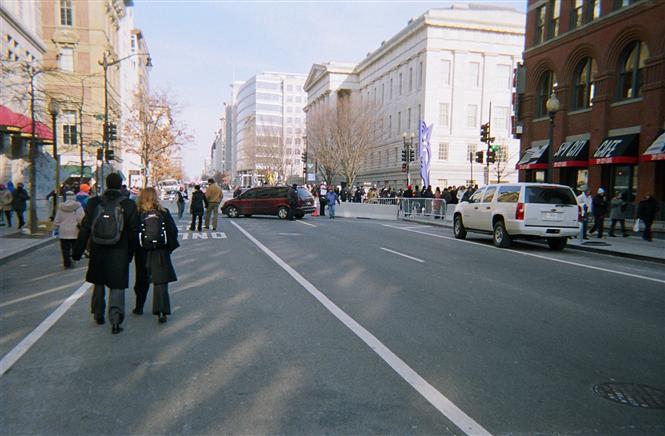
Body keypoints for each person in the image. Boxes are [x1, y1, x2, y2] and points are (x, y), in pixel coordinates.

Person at [72, 173, 139, 334]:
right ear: (120, 184)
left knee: (99, 282)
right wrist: (132, 253)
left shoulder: (94, 202)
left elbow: (86, 228)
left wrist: (77, 251)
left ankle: (98, 313)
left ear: (107, 184)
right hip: (119, 250)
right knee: (117, 286)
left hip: (98, 249)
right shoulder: (128, 204)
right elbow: (133, 232)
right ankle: (115, 321)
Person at [133, 187, 179, 323]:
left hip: (142, 251)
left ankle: (139, 306)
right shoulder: (163, 212)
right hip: (160, 250)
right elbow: (173, 231)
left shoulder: (138, 213)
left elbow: (132, 233)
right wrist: (168, 248)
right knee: (160, 281)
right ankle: (161, 311)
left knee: (142, 279)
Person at [53, 190, 85, 269]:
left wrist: (55, 228)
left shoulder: (61, 207)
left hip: (63, 231)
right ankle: (73, 260)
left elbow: (57, 220)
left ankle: (66, 263)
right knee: (74, 247)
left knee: (65, 248)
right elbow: (81, 219)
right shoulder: (78, 207)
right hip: (74, 231)